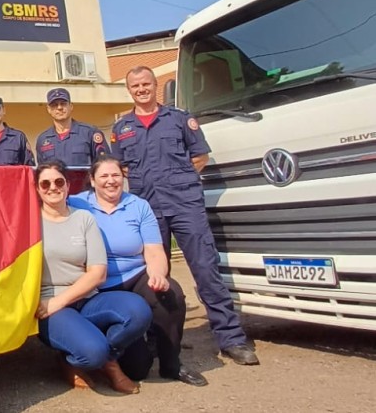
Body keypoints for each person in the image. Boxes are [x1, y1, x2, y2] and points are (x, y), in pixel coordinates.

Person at [111, 66, 258, 366]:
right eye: (135, 85)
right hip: (148, 210)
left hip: (185, 205)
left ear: (155, 85)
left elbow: (200, 157)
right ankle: (161, 339)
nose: (141, 89)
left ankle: (230, 338)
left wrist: (177, 181)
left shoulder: (179, 119)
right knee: (154, 277)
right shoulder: (121, 128)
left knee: (205, 270)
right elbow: (122, 167)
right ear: (129, 90)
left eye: (146, 83)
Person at [69, 156, 208, 387]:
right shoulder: (77, 204)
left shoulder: (138, 205)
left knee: (171, 295)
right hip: (100, 284)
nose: (111, 181)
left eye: (116, 175)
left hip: (136, 274)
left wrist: (158, 275)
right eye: (104, 176)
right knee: (137, 370)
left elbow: (154, 251)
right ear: (92, 181)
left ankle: (172, 364)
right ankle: (105, 349)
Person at [34, 160, 151, 394]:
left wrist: (60, 300)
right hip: (50, 307)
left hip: (85, 297)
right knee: (92, 353)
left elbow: (98, 272)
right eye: (45, 183)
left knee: (139, 311)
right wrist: (52, 303)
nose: (52, 188)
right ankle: (80, 360)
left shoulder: (84, 218)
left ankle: (106, 359)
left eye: (58, 182)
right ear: (37, 189)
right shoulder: (30, 223)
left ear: (68, 185)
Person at [34, 88, 108, 167]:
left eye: (63, 103)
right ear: (48, 109)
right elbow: (42, 171)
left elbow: (105, 165)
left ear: (71, 106)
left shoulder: (90, 133)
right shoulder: (43, 139)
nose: (59, 108)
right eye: (54, 105)